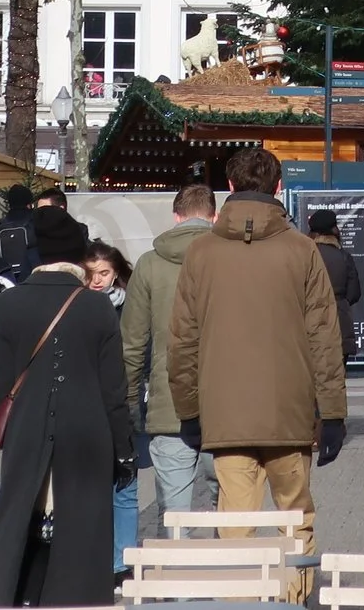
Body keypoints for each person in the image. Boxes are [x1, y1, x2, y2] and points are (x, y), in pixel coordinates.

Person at [168, 148, 346, 598]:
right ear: (279, 187)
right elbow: (324, 337)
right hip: (289, 415)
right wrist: (333, 413)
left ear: (229, 186)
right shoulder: (303, 250)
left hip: (225, 415)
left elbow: (183, 339)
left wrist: (188, 411)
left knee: (236, 527)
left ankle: (241, 604)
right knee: (296, 522)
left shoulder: (201, 252)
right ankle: (295, 602)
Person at [0, 206, 131, 607]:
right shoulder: (97, 307)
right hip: (89, 431)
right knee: (82, 532)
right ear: (77, 256)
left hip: (26, 428)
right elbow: (114, 390)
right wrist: (124, 450)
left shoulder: (11, 304)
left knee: (21, 523)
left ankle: (20, 598)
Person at [124, 186, 218, 531]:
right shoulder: (230, 258)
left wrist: (133, 406)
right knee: (232, 514)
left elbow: (132, 344)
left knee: (175, 517)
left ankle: (177, 583)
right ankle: (228, 581)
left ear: (175, 217)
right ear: (214, 217)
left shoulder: (149, 264)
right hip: (225, 408)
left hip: (168, 406)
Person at [84, 241, 139, 574]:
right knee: (94, 488)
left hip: (123, 403)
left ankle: (124, 562)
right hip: (89, 403)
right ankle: (97, 560)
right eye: (91, 273)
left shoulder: (129, 305)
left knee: (125, 485)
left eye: (104, 272)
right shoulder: (77, 306)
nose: (97, 280)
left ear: (116, 272)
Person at [307, 210, 363, 362]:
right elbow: (354, 293)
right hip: (340, 323)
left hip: (309, 322)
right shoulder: (343, 256)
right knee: (337, 377)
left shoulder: (305, 256)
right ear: (334, 229)